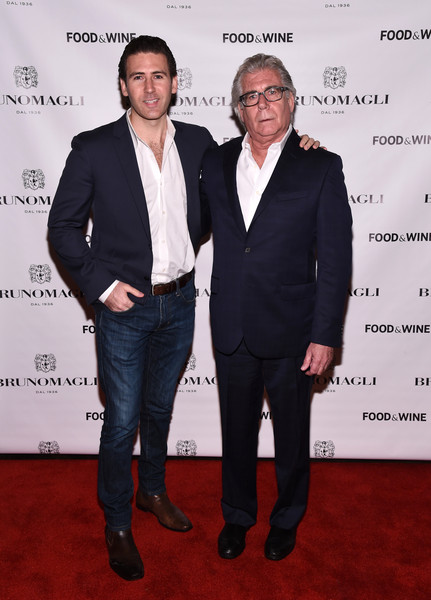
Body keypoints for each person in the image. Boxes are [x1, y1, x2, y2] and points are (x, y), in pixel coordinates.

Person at [48, 36, 317, 580]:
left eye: (159, 76)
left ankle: (152, 491)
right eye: (138, 77)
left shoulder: (200, 144)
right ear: (123, 86)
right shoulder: (93, 148)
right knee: (121, 422)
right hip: (124, 308)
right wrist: (103, 287)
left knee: (159, 410)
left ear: (175, 83)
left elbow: (254, 169)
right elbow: (63, 228)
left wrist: (300, 146)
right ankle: (117, 523)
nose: (149, 87)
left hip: (181, 302)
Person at [200, 54, 352, 561]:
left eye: (272, 92)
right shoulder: (215, 162)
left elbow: (335, 259)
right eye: (250, 96)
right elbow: (187, 220)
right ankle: (238, 515)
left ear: (290, 100)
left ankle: (287, 518)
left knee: (291, 435)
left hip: (293, 328)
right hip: (232, 324)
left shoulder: (320, 165)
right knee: (236, 432)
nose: (262, 103)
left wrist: (325, 335)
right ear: (238, 109)